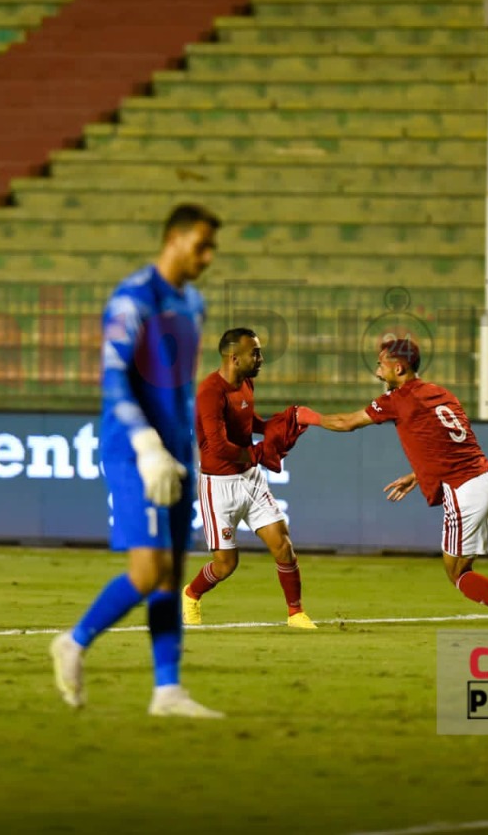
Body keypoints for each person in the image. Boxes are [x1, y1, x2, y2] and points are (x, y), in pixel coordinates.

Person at [297, 338, 488, 635]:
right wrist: (417, 474)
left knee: (457, 573)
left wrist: (309, 417)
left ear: (399, 368)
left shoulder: (397, 400)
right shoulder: (441, 393)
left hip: (465, 490)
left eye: (381, 365)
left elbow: (346, 422)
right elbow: (445, 441)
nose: (378, 372)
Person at [50, 204, 224, 717]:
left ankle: (167, 691)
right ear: (173, 239)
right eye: (202, 246)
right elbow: (114, 378)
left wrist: (186, 444)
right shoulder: (133, 298)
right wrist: (146, 444)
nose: (208, 258)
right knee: (149, 571)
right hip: (135, 450)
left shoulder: (193, 303)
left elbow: (180, 383)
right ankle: (73, 642)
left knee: (172, 574)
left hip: (177, 449)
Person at [185, 327, 315, 628]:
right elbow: (219, 447)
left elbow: (246, 421)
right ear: (234, 357)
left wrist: (271, 427)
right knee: (226, 565)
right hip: (218, 485)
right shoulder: (210, 392)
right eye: (255, 353)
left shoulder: (246, 383)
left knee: (282, 544)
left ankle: (295, 613)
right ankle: (191, 594)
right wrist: (258, 453)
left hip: (250, 479)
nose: (261, 358)